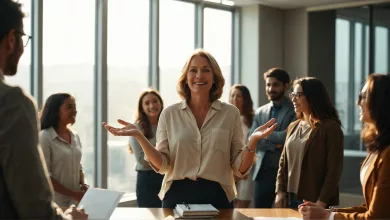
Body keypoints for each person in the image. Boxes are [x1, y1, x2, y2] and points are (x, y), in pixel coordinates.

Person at [103, 49, 277, 209]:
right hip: (176, 196)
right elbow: (162, 165)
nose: (199, 75)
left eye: (206, 70)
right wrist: (140, 137)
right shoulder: (169, 114)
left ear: (214, 77)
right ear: (186, 77)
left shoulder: (230, 113)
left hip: (217, 196)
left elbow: (239, 167)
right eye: (193, 70)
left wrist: (253, 141)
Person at [0, 0, 87, 219]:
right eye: (22, 38)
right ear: (11, 39)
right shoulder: (11, 104)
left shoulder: (74, 137)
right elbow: (36, 209)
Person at [299, 73, 390, 220]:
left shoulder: (388, 153)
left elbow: (377, 216)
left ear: (381, 101)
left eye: (364, 96)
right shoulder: (378, 147)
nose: (358, 102)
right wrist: (327, 212)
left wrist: (328, 216)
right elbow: (370, 207)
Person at [275, 77, 344, 209]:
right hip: (290, 197)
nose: (293, 99)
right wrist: (280, 191)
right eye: (293, 94)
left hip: (314, 200)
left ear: (313, 97)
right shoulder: (293, 126)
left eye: (298, 95)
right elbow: (283, 162)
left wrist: (322, 202)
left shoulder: (330, 127)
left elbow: (334, 170)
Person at [250, 68, 296, 208]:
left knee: (283, 215)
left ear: (286, 85)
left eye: (275, 85)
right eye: (268, 85)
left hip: (284, 174)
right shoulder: (260, 112)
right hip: (262, 173)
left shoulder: (294, 110)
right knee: (259, 214)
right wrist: (274, 145)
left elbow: (287, 138)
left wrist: (263, 135)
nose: (271, 89)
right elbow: (251, 139)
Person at [39, 93, 88, 208]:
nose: (75, 111)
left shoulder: (75, 136)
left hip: (75, 204)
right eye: (69, 107)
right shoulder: (45, 137)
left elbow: (78, 166)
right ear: (56, 111)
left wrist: (83, 184)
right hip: (55, 205)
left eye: (75, 107)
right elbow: (45, 176)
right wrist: (73, 194)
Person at [129, 89, 164, 207]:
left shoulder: (168, 124)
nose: (152, 105)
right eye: (147, 103)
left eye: (155, 101)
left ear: (160, 103)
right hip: (147, 179)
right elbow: (142, 161)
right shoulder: (136, 128)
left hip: (167, 177)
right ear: (141, 107)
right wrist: (164, 157)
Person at [229, 84, 255, 208]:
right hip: (230, 168)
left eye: (239, 96)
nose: (235, 99)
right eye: (233, 95)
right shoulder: (226, 119)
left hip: (247, 168)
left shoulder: (251, 120)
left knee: (244, 204)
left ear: (245, 99)